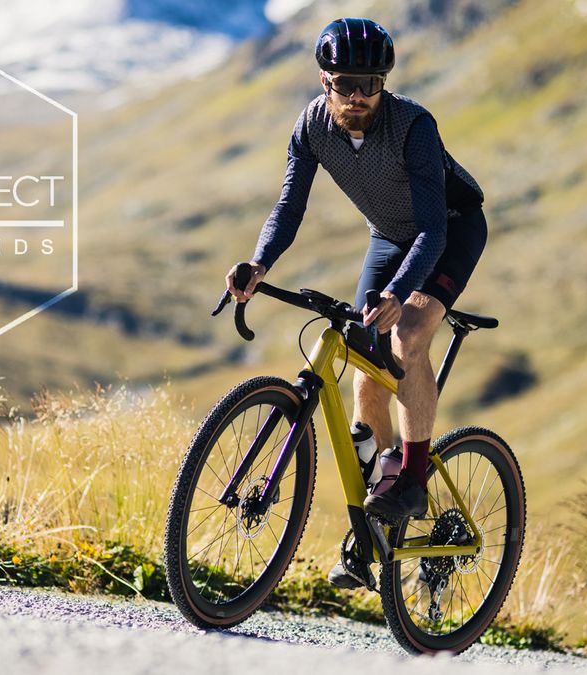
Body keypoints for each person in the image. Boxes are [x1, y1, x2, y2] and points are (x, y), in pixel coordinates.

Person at [224, 17, 487, 589]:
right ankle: (378, 508)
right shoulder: (312, 127)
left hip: (448, 231)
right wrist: (258, 264)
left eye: (372, 82)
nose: (361, 95)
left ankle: (412, 479)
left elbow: (433, 234)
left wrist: (399, 295)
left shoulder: (413, 125)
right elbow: (289, 206)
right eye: (348, 83)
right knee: (364, 359)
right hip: (390, 235)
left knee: (407, 338)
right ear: (325, 80)